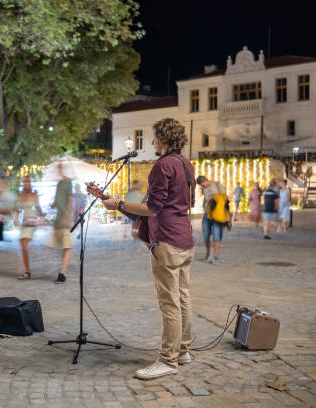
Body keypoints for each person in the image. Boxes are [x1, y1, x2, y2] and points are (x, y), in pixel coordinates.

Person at [102, 118, 195, 380]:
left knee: (169, 303)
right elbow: (188, 202)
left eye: (154, 137)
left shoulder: (163, 165)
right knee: (184, 297)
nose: (152, 142)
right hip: (185, 239)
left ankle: (168, 360)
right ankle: (183, 350)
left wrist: (119, 204)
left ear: (164, 139)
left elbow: (152, 209)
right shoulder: (186, 164)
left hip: (167, 241)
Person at [49, 162, 73, 283]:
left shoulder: (68, 182)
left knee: (66, 246)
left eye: (60, 168)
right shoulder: (59, 183)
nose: (58, 170)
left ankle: (63, 273)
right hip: (58, 219)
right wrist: (52, 205)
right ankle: (63, 270)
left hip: (64, 219)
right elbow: (57, 200)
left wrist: (67, 216)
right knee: (59, 246)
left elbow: (70, 200)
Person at [15, 176, 42, 279]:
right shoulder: (21, 195)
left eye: (28, 182)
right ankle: (27, 271)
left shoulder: (34, 195)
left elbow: (38, 208)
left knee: (25, 245)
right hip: (24, 222)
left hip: (32, 222)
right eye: (24, 182)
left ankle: (27, 271)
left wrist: (42, 214)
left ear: (30, 183)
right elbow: (17, 209)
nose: (26, 183)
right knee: (23, 246)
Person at [196, 175, 227, 264]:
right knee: (206, 235)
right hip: (207, 214)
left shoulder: (218, 185)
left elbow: (225, 198)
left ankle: (215, 257)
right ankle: (208, 253)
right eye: (200, 185)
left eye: (202, 184)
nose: (202, 187)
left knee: (217, 236)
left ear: (206, 180)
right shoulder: (203, 189)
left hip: (217, 215)